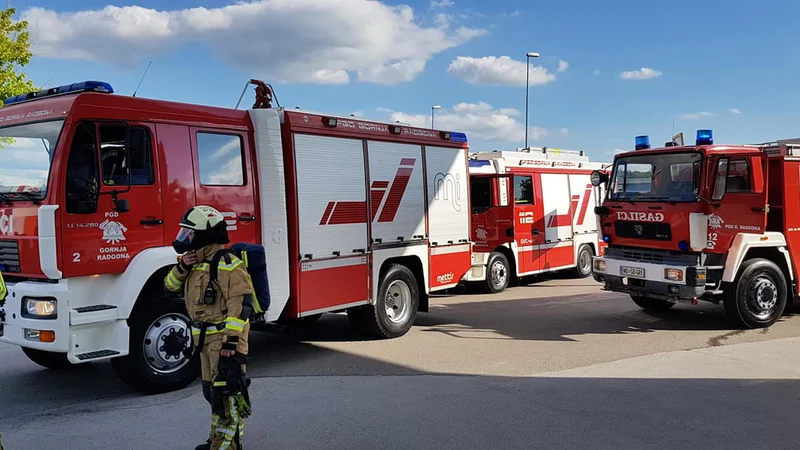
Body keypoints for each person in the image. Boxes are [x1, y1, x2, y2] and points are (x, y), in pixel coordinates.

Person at [163, 205, 254, 450]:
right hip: (203, 343)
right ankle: (217, 439)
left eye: (190, 233)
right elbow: (169, 287)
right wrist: (183, 267)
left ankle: (228, 446)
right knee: (212, 394)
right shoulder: (193, 263)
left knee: (227, 396)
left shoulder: (228, 264)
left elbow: (240, 307)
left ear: (205, 235)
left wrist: (231, 343)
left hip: (223, 343)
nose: (185, 238)